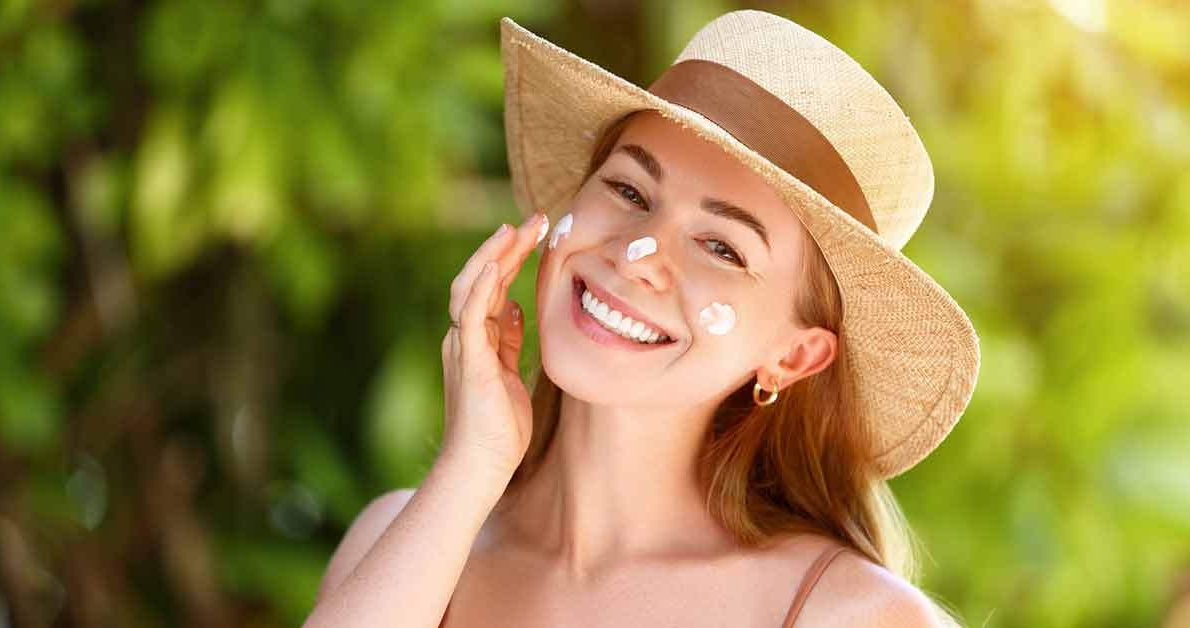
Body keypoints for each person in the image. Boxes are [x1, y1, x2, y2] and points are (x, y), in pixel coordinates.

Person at [305, 9, 980, 628]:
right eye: (629, 189)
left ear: (794, 356)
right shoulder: (402, 541)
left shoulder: (851, 616)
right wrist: (472, 465)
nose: (639, 255)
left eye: (722, 247)